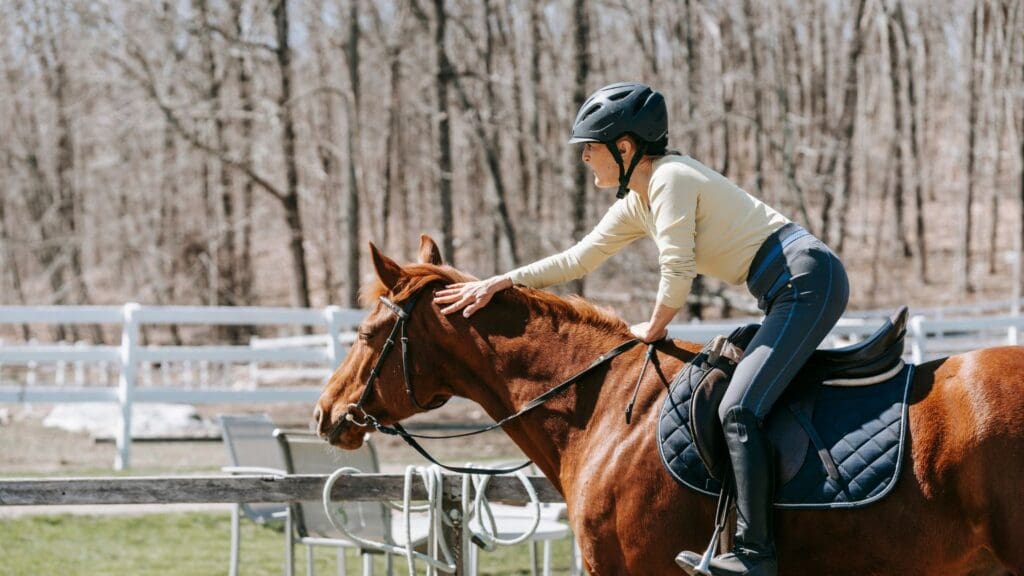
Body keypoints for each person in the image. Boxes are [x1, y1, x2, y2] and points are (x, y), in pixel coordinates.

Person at [432, 81, 849, 576]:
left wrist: (652, 327)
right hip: (788, 286)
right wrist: (501, 281)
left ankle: (756, 554)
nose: (585, 158)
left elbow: (678, 268)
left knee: (739, 408)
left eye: (591, 147)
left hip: (807, 280)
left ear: (625, 148)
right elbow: (579, 257)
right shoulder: (639, 198)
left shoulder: (671, 178)